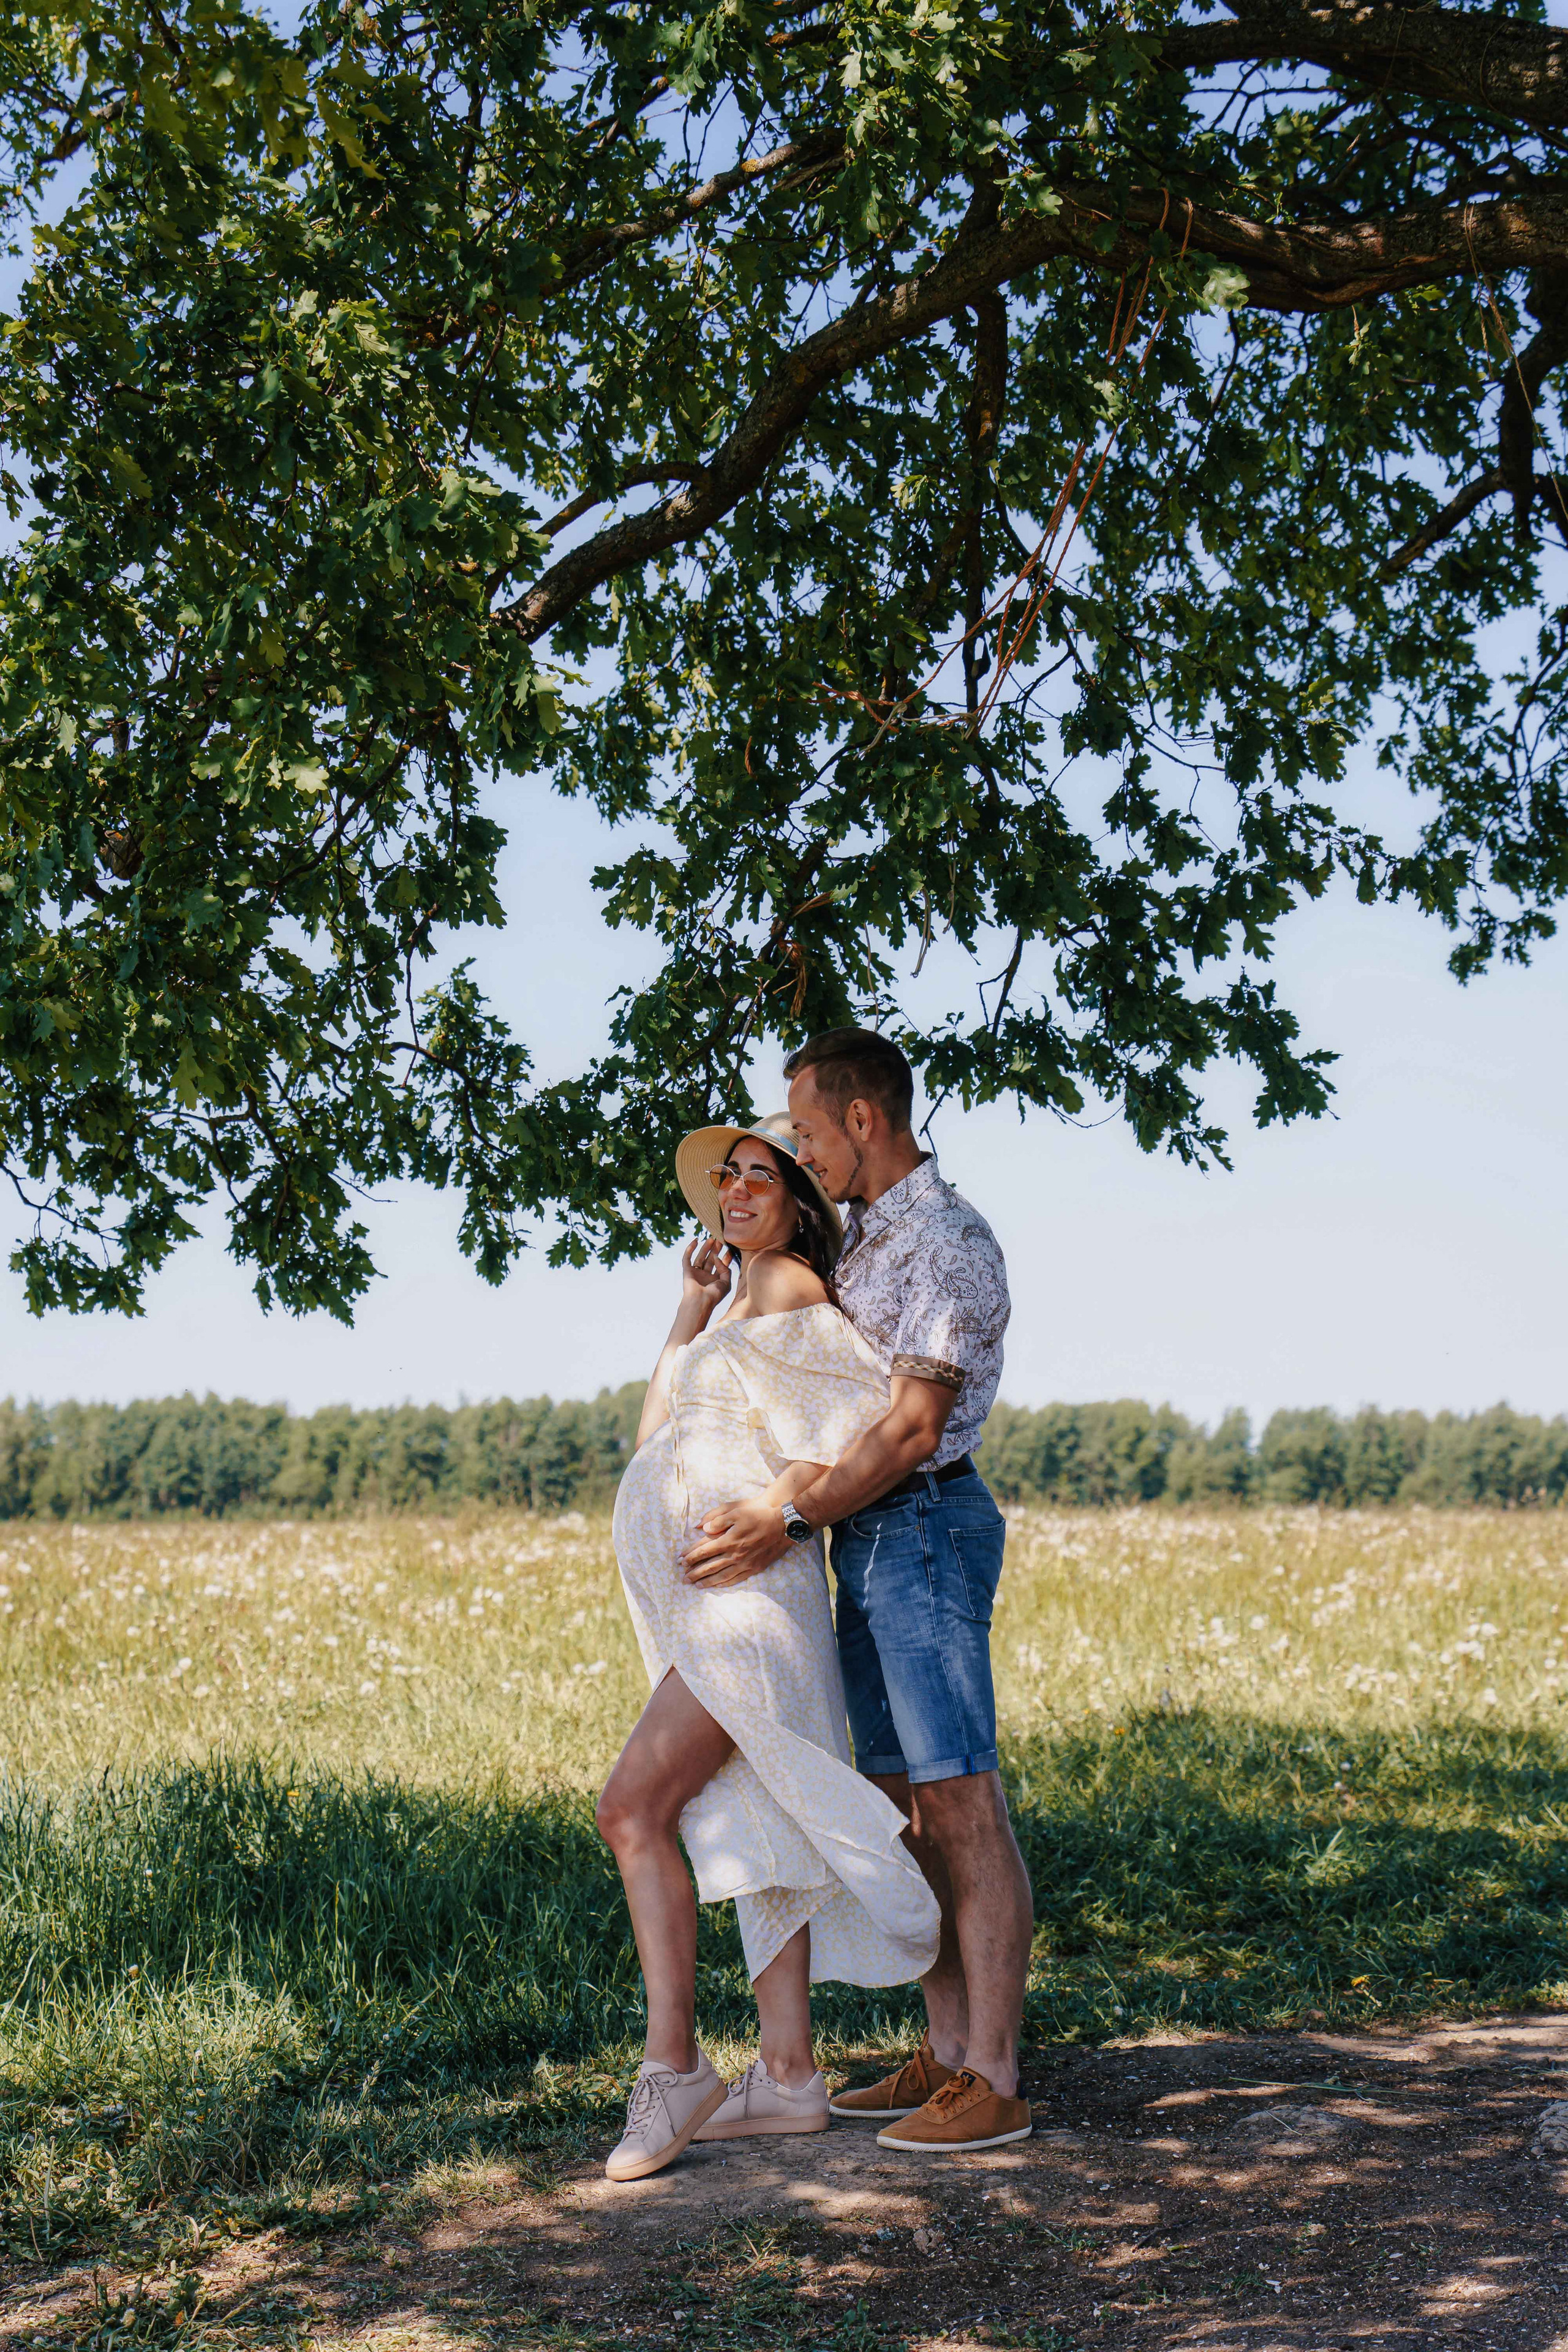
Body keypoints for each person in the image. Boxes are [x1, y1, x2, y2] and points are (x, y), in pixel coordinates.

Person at [682, 1030, 1034, 2155]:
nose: (798, 1150)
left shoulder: (948, 1242)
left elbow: (910, 1426)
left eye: (807, 1130)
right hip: (866, 1537)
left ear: (863, 1122)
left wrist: (789, 1513)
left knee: (962, 1798)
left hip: (923, 1525)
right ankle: (944, 2052)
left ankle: (997, 2075)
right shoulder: (870, 1237)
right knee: (903, 1800)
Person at [595, 1113, 941, 2182]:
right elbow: (657, 1439)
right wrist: (689, 1309)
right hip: (705, 1612)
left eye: (759, 1176)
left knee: (634, 1809)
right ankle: (789, 2075)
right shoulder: (733, 1303)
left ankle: (674, 2067)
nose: (736, 1191)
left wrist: (781, 1501)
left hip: (752, 1610)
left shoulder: (791, 1283)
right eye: (726, 1179)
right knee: (750, 1824)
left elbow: (853, 1427)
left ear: (798, 1202)